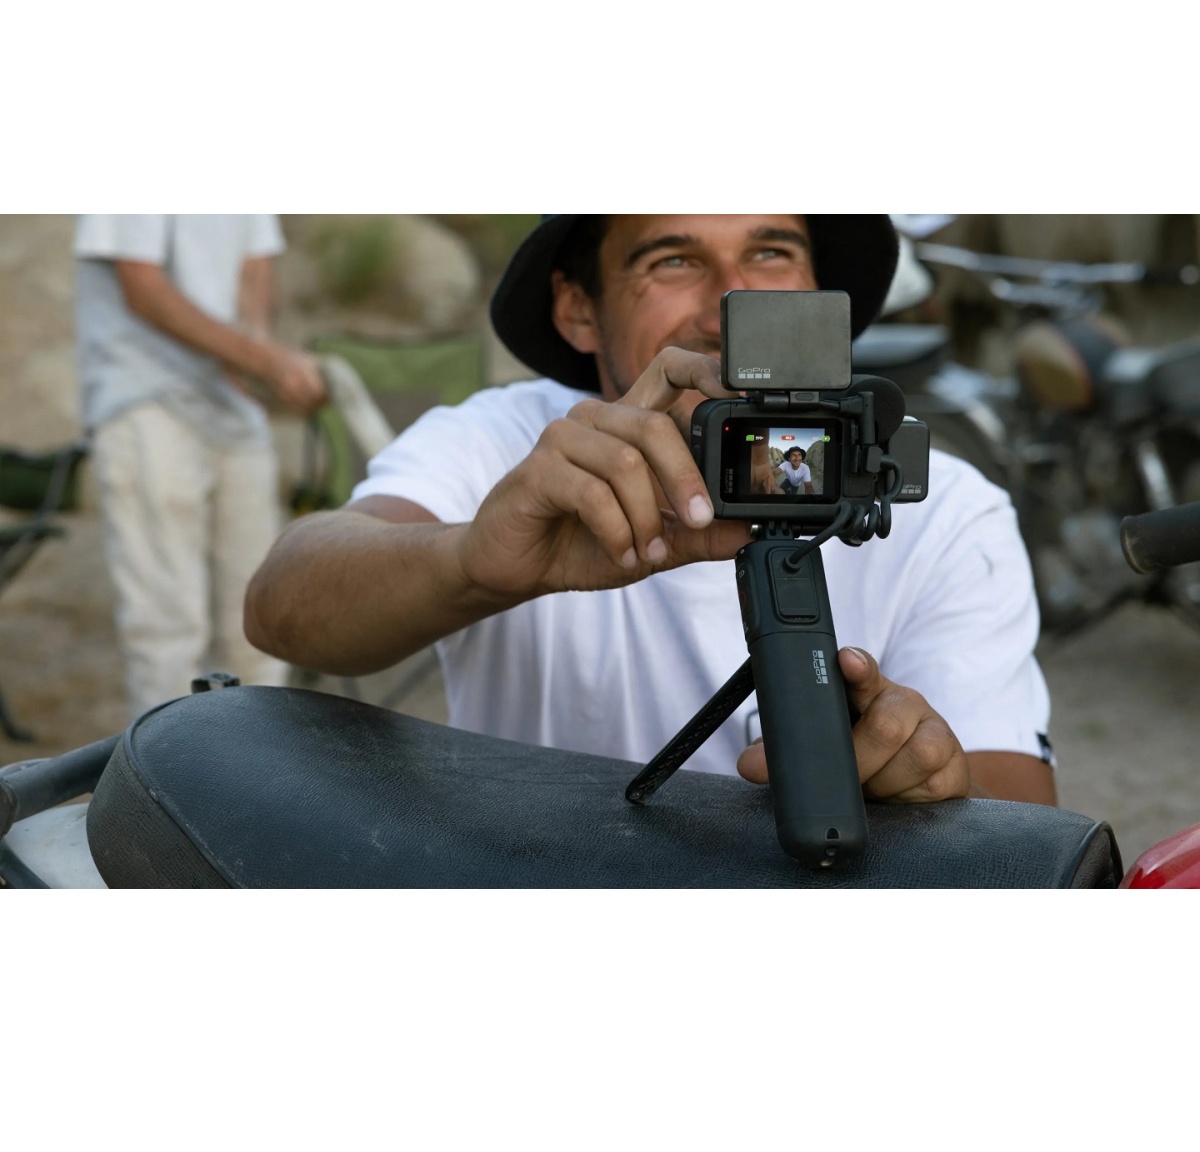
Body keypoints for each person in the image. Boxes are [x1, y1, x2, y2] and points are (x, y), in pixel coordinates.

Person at [245, 215, 1057, 806]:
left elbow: (1026, 824)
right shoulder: (509, 445)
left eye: (771, 251)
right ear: (578, 309)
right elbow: (281, 606)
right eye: (672, 259)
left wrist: (932, 785)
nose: (730, 300)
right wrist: (470, 564)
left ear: (819, 290)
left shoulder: (941, 503)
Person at [74, 214, 328, 720]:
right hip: (145, 398)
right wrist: (265, 361)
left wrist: (253, 352)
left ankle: (264, 759)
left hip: (233, 408)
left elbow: (254, 263)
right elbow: (142, 288)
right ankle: (166, 766)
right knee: (167, 625)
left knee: (261, 615)